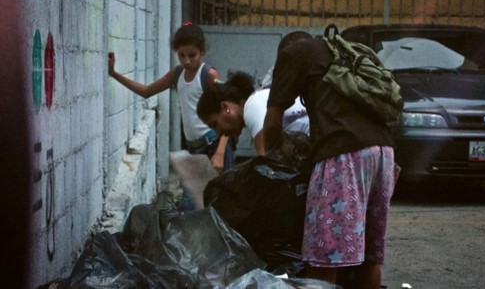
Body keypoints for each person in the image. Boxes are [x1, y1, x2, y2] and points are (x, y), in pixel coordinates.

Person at [262, 31, 399, 289]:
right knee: (369, 258)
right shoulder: (339, 53)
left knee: (324, 258)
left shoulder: (293, 54)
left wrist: (270, 161)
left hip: (344, 154)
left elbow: (272, 122)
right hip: (384, 152)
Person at [107, 22, 235, 209]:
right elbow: (147, 91)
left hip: (214, 144)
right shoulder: (177, 74)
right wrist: (114, 73)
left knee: (220, 202)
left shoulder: (208, 75)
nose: (187, 61)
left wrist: (221, 152)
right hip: (194, 149)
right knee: (192, 206)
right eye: (181, 56)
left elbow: (227, 114)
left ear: (202, 51)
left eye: (192, 55)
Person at [197, 71, 309, 156]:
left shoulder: (251, 107)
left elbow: (267, 167)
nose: (219, 133)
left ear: (225, 107)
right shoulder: (260, 99)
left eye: (215, 124)